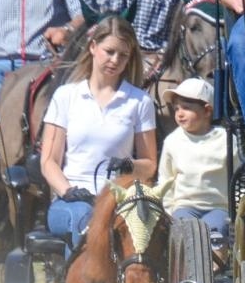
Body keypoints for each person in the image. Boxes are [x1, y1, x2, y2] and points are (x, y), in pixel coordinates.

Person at [41, 15, 158, 250]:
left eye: (123, 55)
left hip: (118, 198)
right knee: (85, 218)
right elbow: (48, 161)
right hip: (70, 202)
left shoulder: (140, 102)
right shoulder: (66, 96)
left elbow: (150, 164)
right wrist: (69, 191)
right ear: (93, 47)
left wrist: (128, 165)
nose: (115, 60)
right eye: (109, 51)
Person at [157, 77, 231, 245]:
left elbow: (237, 177)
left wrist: (238, 208)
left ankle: (217, 261)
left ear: (207, 111)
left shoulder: (225, 139)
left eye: (186, 108)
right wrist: (168, 210)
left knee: (216, 234)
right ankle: (184, 263)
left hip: (218, 207)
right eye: (176, 108)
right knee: (183, 235)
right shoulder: (172, 141)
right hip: (185, 206)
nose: (179, 114)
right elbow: (166, 179)